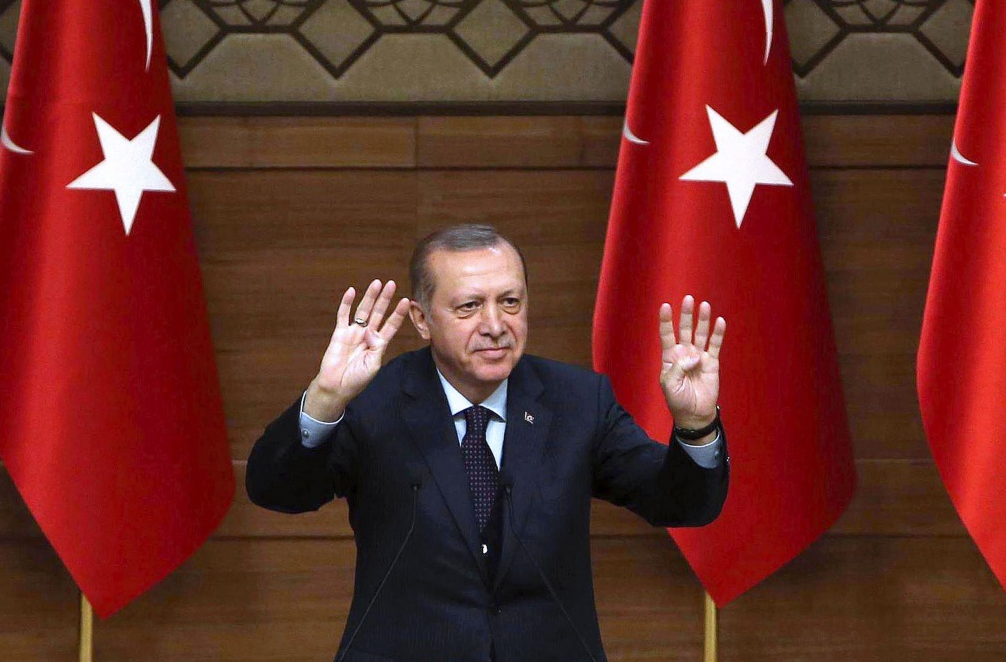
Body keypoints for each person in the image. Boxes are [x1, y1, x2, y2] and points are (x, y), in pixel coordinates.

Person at [246, 224, 729, 662]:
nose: (496, 325)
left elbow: (683, 504)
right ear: (421, 319)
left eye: (511, 302)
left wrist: (695, 424)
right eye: (469, 306)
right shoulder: (374, 401)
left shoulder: (578, 402)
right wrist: (326, 399)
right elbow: (277, 490)